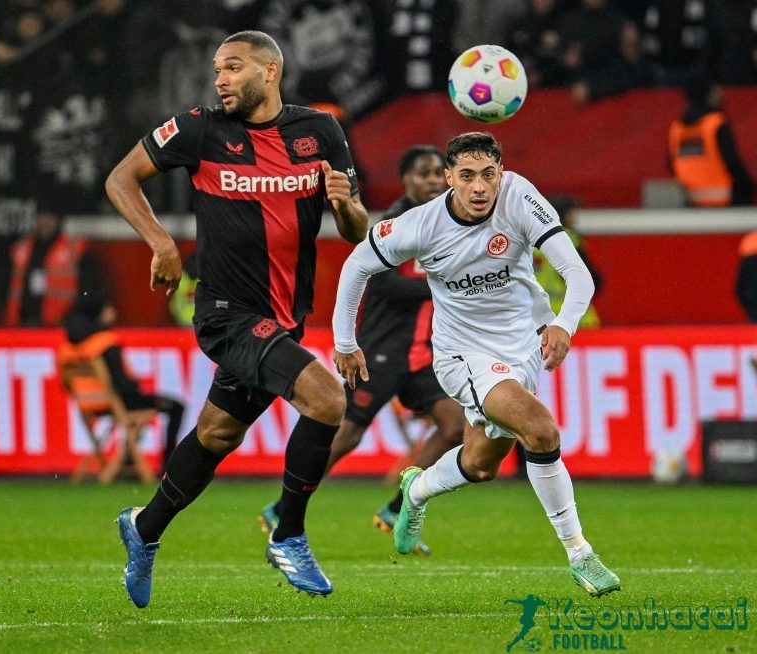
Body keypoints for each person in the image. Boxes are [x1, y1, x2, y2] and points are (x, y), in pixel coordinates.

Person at [105, 30, 368, 606]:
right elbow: (120, 179)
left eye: (233, 67)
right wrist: (162, 244)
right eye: (216, 69)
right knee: (326, 399)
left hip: (283, 318)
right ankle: (290, 534)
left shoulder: (319, 131)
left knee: (217, 433)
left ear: (269, 72)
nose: (220, 79)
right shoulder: (198, 128)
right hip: (227, 314)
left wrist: (346, 205)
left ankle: (143, 528)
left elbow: (356, 232)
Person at [332, 131, 620, 597]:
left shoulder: (520, 197)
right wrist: (345, 341)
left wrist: (565, 323)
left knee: (481, 465)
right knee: (541, 431)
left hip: (524, 347)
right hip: (462, 354)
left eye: (488, 174)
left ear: (501, 173)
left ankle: (417, 490)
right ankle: (580, 553)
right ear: (449, 179)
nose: (480, 186)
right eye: (467, 176)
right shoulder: (420, 224)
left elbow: (576, 272)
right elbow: (356, 265)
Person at [259, 146, 465, 556]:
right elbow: (383, 282)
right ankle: (283, 507)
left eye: (437, 172)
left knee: (455, 427)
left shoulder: (448, 221)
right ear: (404, 180)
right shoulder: (394, 223)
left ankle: (398, 507)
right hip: (383, 348)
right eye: (422, 172)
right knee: (347, 432)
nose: (431, 179)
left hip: (423, 352)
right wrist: (445, 287)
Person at [63, 297, 185, 474]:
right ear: (99, 314)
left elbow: (65, 383)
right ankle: (167, 467)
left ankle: (127, 460)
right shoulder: (105, 343)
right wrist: (134, 383)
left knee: (132, 413)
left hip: (88, 405)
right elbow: (122, 385)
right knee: (176, 407)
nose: (113, 313)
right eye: (108, 309)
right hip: (117, 404)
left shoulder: (69, 349)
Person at [668, 75, 754, 207]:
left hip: (691, 204)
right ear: (708, 94)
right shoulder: (716, 123)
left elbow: (672, 165)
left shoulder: (677, 129)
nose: (722, 93)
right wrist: (748, 187)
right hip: (726, 202)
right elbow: (732, 162)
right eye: (717, 89)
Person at [2, 206, 94, 328]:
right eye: (41, 216)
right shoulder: (20, 248)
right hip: (21, 326)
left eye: (50, 217)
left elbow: (89, 290)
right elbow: (7, 288)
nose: (45, 222)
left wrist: (71, 319)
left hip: (59, 326)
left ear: (58, 220)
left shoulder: (75, 248)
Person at [533, 195, 602, 329]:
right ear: (561, 215)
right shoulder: (569, 239)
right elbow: (592, 280)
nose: (574, 218)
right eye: (571, 213)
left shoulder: (531, 242)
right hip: (575, 320)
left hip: (541, 320)